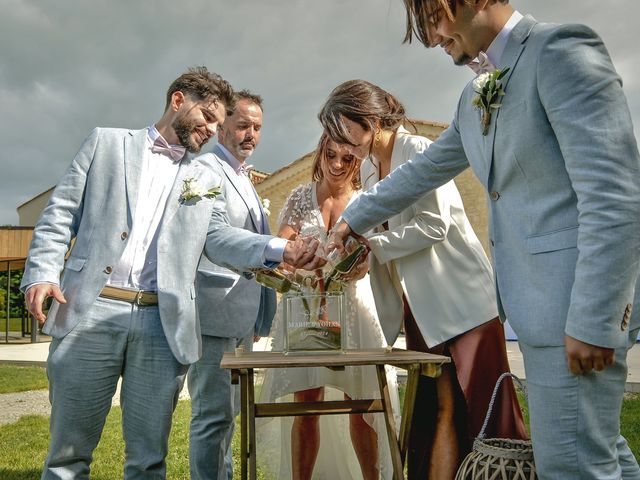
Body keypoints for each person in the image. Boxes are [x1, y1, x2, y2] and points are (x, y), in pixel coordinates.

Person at [324, 2, 640, 478]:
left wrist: (596, 317)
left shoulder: (561, 52)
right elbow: (423, 172)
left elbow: (614, 196)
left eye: (432, 20)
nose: (431, 38)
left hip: (574, 316)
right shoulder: (475, 95)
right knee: (603, 453)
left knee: (574, 466)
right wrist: (349, 223)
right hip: (536, 313)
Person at [21, 67, 319, 479]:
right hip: (90, 310)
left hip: (161, 325)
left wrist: (279, 247)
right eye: (209, 118)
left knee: (148, 460)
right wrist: (41, 273)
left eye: (219, 123)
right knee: (68, 457)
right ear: (179, 101)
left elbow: (218, 238)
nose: (214, 131)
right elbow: (59, 214)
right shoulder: (106, 143)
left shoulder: (202, 175)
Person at [318, 79, 527, 479]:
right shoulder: (368, 169)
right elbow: (382, 241)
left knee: (480, 410)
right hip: (421, 311)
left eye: (346, 130)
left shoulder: (415, 150)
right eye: (336, 133)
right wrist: (363, 257)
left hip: (461, 301)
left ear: (373, 120)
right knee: (433, 410)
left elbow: (435, 225)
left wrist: (373, 245)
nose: (343, 144)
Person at [257, 133, 400, 480]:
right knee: (306, 405)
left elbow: (375, 254)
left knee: (361, 404)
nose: (337, 164)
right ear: (320, 154)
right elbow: (282, 254)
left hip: (353, 307)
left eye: (347, 158)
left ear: (357, 160)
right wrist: (295, 261)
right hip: (307, 309)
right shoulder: (298, 198)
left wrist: (362, 264)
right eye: (330, 155)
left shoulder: (367, 199)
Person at [188, 90, 275, 480]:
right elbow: (216, 237)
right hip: (212, 314)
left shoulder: (244, 176)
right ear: (221, 126)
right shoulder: (207, 168)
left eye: (257, 127)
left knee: (227, 418)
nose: (251, 134)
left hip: (240, 316)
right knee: (212, 417)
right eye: (242, 125)